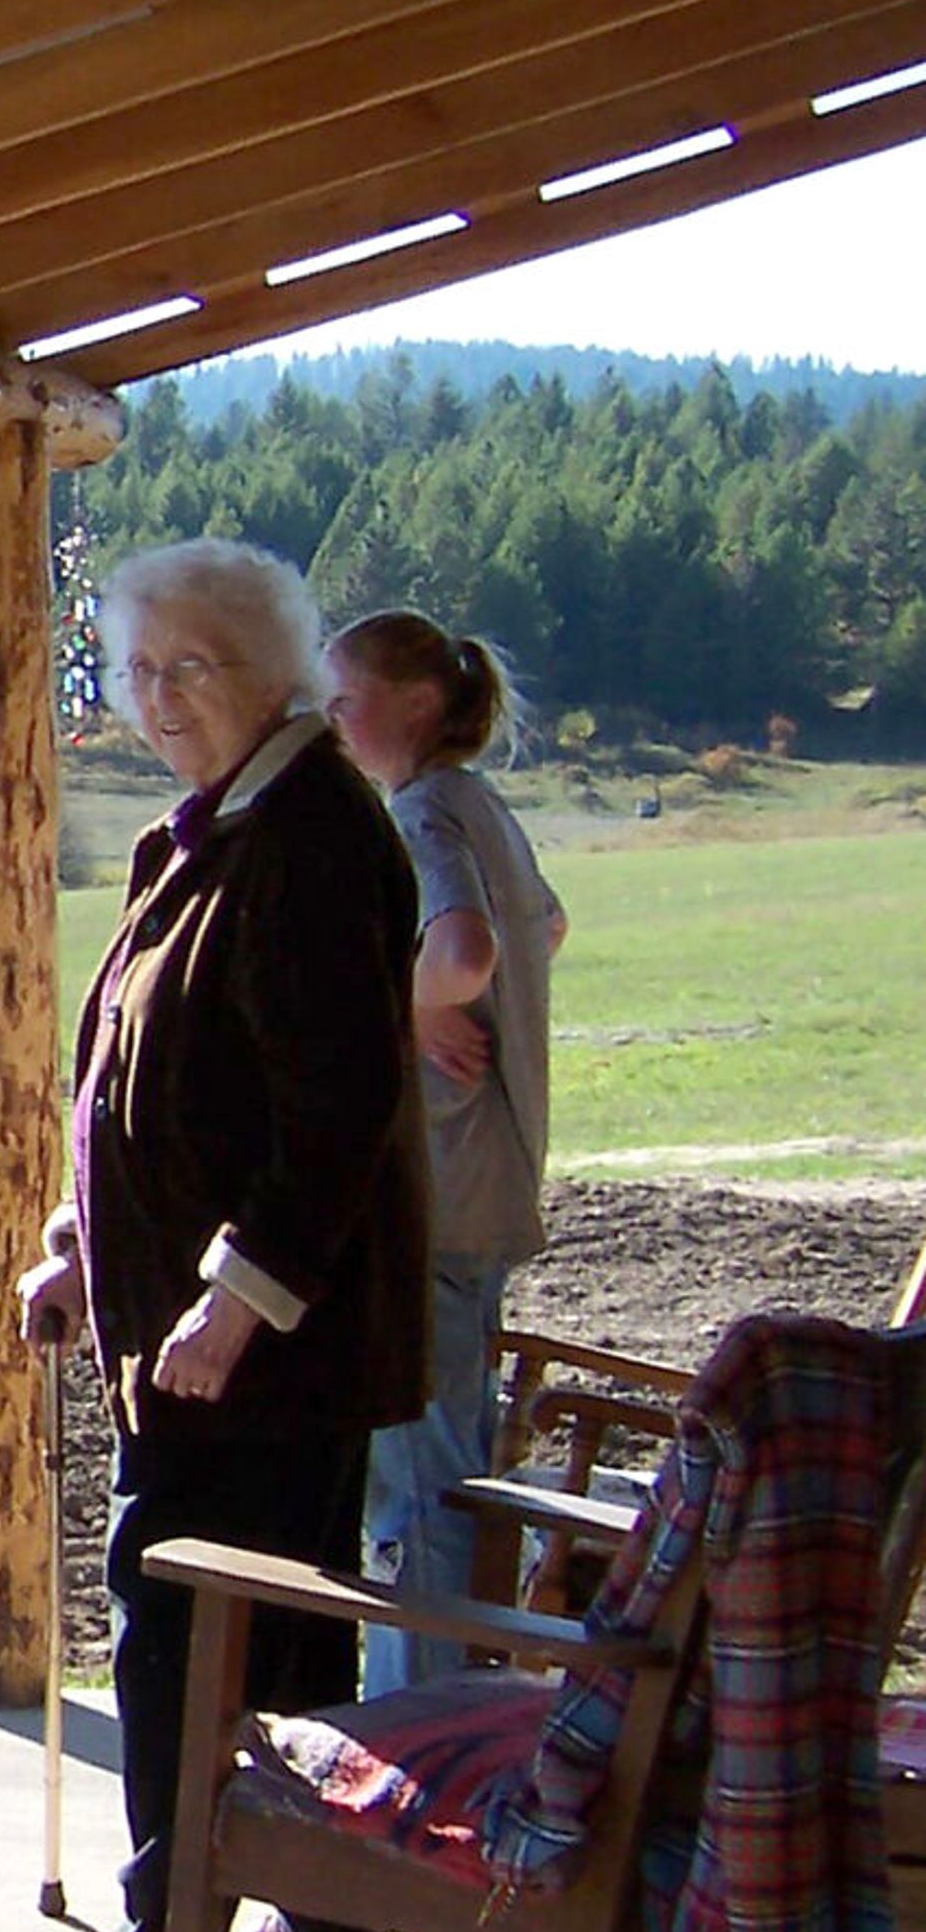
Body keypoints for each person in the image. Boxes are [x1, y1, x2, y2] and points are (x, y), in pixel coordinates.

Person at [12, 540, 429, 1932]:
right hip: (201, 1332)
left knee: (184, 1629)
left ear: (276, 672)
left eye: (190, 664)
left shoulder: (312, 837)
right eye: (134, 668)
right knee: (293, 1630)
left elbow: (339, 1107)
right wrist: (77, 1242)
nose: (157, 695)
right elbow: (138, 1084)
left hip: (247, 1354)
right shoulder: (212, 831)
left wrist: (238, 1294)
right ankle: (326, 1915)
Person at [325, 610, 568, 1694]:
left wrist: (401, 999)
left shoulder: (421, 806)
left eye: (348, 699)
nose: (334, 720)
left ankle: (418, 1732)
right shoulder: (484, 805)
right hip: (495, 1183)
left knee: (415, 1491)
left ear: (416, 706)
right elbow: (543, 926)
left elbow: (461, 949)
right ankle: (459, 1704)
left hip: (436, 1190)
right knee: (457, 1474)